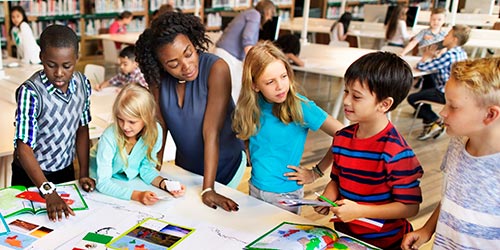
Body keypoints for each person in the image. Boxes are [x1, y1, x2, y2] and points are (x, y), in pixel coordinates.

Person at [135, 12, 245, 212]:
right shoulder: (157, 80)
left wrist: (208, 189)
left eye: (188, 53)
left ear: (194, 43)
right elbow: (160, 128)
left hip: (225, 165)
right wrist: (153, 174)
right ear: (160, 65)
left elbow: (210, 132)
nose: (186, 66)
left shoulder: (216, 69)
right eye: (173, 64)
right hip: (186, 168)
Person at [314, 52, 424, 250]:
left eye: (356, 96)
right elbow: (337, 180)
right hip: (344, 235)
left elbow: (410, 206)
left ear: (385, 104)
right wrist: (327, 197)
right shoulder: (342, 138)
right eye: (346, 91)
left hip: (386, 242)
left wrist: (359, 211)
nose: (346, 101)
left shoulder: (397, 153)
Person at [232, 41, 344, 214]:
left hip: (286, 195)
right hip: (255, 188)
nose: (280, 86)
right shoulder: (251, 107)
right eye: (270, 82)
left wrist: (317, 172)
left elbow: (344, 135)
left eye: (284, 76)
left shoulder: (301, 106)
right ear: (254, 85)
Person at [401, 57, 500, 250]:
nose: (443, 112)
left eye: (453, 106)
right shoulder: (457, 143)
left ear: (490, 115)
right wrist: (427, 230)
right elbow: (452, 195)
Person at [11, 25, 95, 222]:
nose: (59, 73)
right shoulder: (30, 92)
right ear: (41, 57)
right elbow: (23, 148)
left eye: (67, 66)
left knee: (65, 227)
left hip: (65, 173)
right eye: (51, 64)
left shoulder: (83, 85)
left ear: (77, 58)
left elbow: (82, 129)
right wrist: (48, 191)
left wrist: (82, 172)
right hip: (31, 176)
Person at [90, 84, 185, 205]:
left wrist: (166, 185)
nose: (125, 126)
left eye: (132, 121)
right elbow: (103, 183)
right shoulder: (110, 136)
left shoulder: (155, 132)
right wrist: (137, 195)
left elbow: (146, 169)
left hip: (124, 183)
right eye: (120, 119)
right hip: (96, 183)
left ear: (147, 118)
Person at [407, 25, 470, 141]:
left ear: (454, 39)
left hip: (444, 93)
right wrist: (435, 58)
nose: (444, 37)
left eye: (447, 35)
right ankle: (427, 118)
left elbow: (421, 66)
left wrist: (426, 57)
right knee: (429, 77)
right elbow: (438, 65)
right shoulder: (461, 53)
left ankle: (433, 120)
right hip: (458, 91)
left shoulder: (448, 55)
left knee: (412, 98)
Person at [214, 0, 276, 102]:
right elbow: (247, 39)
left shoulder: (248, 13)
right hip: (229, 56)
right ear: (268, 11)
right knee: (235, 91)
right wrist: (254, 61)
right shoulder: (255, 15)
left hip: (224, 53)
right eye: (271, 15)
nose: (269, 19)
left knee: (230, 90)